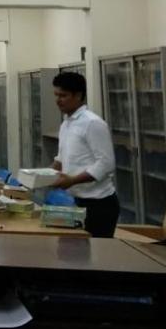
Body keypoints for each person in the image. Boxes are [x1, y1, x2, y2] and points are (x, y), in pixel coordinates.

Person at [50, 71, 119, 238]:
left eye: (63, 95)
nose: (58, 100)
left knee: (94, 259)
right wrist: (41, 177)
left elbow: (106, 164)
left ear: (78, 95)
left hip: (98, 205)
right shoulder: (66, 123)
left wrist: (72, 180)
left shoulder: (92, 123)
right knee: (73, 256)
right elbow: (60, 159)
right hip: (74, 202)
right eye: (56, 95)